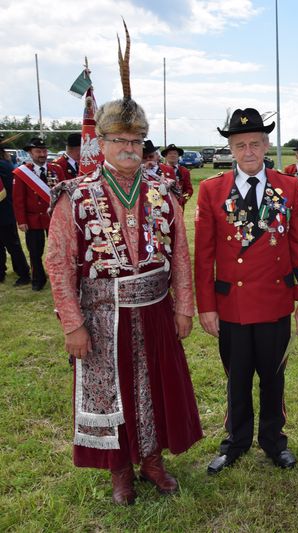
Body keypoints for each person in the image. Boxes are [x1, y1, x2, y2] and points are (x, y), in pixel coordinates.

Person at [45, 95, 202, 505]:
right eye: (120, 139)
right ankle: (120, 469)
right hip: (101, 316)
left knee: (155, 386)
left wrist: (184, 305)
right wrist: (72, 323)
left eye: (138, 139)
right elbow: (57, 262)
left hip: (155, 310)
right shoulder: (75, 195)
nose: (130, 147)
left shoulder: (162, 191)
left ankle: (152, 459)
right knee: (113, 391)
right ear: (102, 140)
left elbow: (181, 254)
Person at [195, 108, 298, 474]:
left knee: (273, 378)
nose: (248, 151)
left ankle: (274, 442)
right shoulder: (212, 189)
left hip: (275, 302)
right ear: (231, 148)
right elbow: (204, 255)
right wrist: (206, 307)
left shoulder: (288, 187)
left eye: (256, 144)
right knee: (238, 378)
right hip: (232, 305)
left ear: (266, 145)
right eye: (240, 144)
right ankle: (235, 442)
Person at [12, 137, 66, 291]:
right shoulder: (22, 173)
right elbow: (18, 200)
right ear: (30, 153)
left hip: (54, 218)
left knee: (58, 250)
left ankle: (60, 277)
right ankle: (38, 279)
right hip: (33, 219)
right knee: (35, 252)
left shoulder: (57, 170)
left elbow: (63, 194)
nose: (42, 154)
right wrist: (21, 220)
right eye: (38, 151)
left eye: (44, 151)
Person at [0, 145, 31, 285]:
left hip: (4, 211)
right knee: (10, 244)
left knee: (12, 245)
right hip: (6, 210)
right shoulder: (6, 163)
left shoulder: (2, 165)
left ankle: (23, 272)